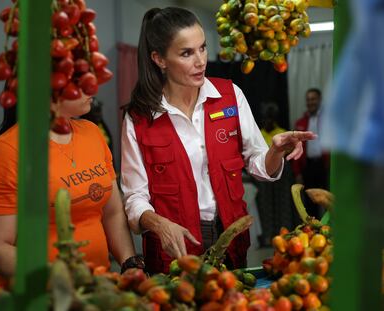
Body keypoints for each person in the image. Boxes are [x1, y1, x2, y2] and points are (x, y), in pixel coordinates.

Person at [121, 7, 316, 274]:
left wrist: (275, 151)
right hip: (174, 246)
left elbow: (259, 165)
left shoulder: (229, 96)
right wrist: (157, 223)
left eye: (202, 48)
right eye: (186, 53)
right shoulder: (140, 118)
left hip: (231, 237)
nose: (201, 60)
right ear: (159, 59)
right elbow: (134, 196)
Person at [0, 91, 140, 280]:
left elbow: (113, 213)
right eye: (79, 83)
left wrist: (129, 263)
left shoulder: (92, 132)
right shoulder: (3, 153)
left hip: (97, 287)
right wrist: (61, 279)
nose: (91, 90)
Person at [256, 103, 299, 246]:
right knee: (265, 203)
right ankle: (268, 236)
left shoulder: (282, 133)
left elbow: (291, 153)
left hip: (283, 170)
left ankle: (285, 234)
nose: (268, 122)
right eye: (266, 119)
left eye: (271, 118)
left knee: (284, 202)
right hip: (265, 170)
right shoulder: (258, 134)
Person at [293, 88, 330, 218]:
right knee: (310, 204)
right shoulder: (300, 123)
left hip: (325, 166)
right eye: (308, 99)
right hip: (307, 167)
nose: (310, 102)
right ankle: (315, 234)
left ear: (319, 100)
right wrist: (297, 172)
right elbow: (296, 148)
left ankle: (330, 232)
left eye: (313, 99)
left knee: (328, 201)